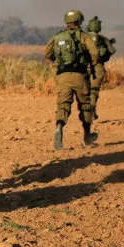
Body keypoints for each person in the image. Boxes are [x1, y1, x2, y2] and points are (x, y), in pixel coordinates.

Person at [44, 10, 100, 151]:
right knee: (85, 105)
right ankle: (87, 135)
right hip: (80, 75)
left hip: (62, 76)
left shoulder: (57, 36)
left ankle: (59, 127)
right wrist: (90, 63)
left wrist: (58, 61)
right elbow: (95, 53)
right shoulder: (84, 36)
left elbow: (47, 53)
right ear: (80, 20)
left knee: (63, 104)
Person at [85, 16, 116, 120]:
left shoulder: (83, 37)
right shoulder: (103, 39)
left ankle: (87, 111)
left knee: (86, 91)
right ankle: (92, 109)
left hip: (84, 68)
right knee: (94, 91)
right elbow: (112, 51)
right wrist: (107, 45)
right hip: (98, 68)